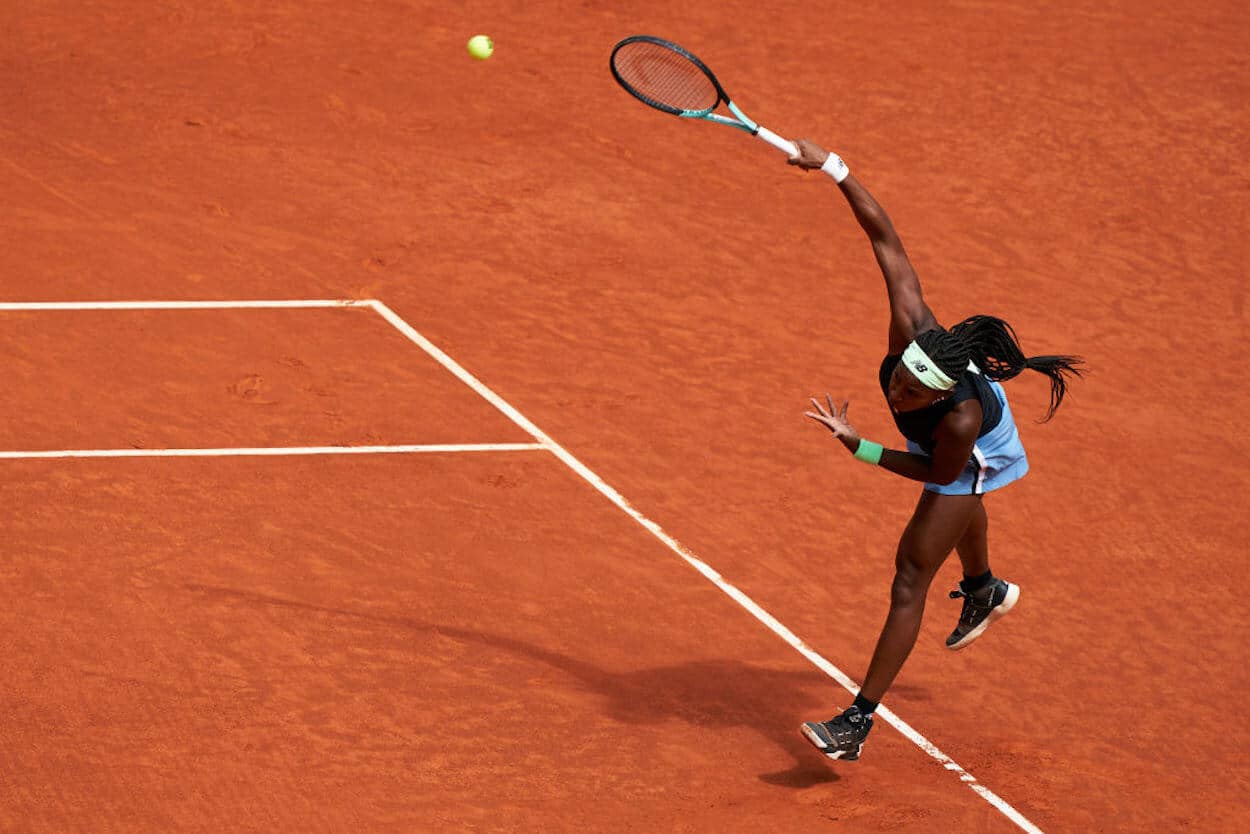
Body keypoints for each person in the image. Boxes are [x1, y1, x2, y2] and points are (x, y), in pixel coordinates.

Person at [788, 139, 1083, 762]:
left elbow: (936, 472)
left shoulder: (959, 423)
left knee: (910, 575)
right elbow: (885, 240)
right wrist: (834, 168)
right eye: (900, 376)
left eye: (912, 388)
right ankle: (983, 587)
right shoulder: (911, 324)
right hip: (948, 445)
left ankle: (856, 723)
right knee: (950, 519)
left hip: (973, 456)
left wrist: (860, 447)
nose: (897, 387)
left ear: (942, 391)